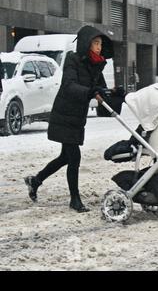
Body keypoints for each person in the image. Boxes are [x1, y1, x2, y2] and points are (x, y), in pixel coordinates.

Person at [24, 25, 114, 213]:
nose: (99, 47)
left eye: (100, 43)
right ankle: (75, 199)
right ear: (86, 43)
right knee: (74, 157)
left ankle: (36, 180)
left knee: (66, 156)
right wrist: (90, 92)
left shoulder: (97, 64)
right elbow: (69, 85)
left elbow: (101, 89)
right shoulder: (73, 60)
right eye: (95, 43)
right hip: (64, 114)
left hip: (77, 117)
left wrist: (115, 93)